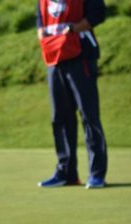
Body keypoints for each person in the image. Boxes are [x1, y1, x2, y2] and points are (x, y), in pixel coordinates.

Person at [36, 0, 108, 189]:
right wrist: (44, 35)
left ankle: (96, 174)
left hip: (80, 56)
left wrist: (73, 29)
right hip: (54, 57)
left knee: (89, 115)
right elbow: (40, 22)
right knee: (59, 117)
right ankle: (66, 173)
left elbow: (98, 14)